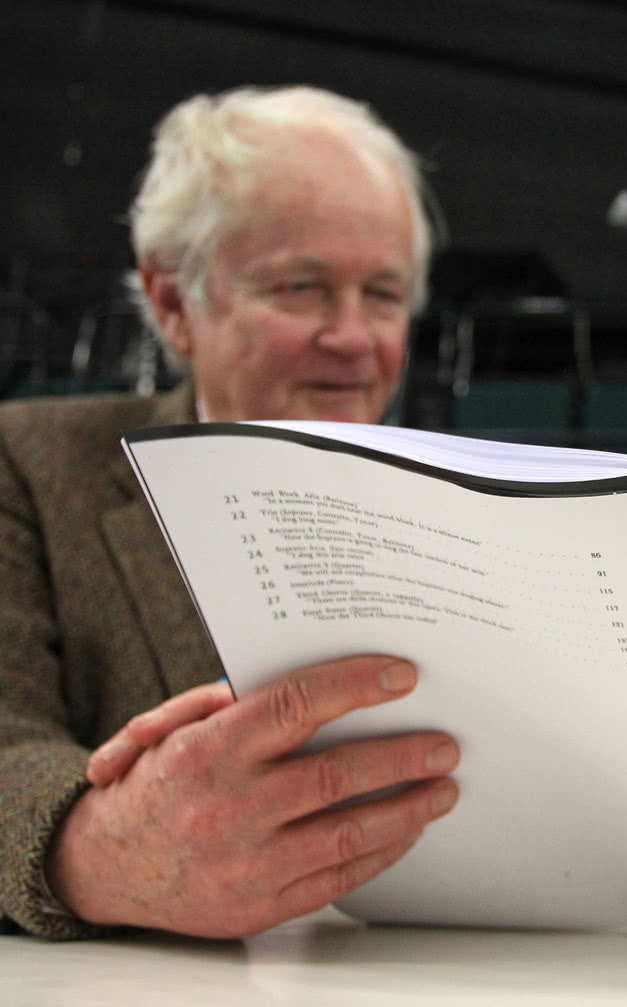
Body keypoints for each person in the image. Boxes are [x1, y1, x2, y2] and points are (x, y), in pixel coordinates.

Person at [0, 85, 460, 940]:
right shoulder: (27, 466)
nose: (353, 337)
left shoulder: (483, 512)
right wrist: (99, 849)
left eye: (383, 294)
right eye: (300, 288)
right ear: (174, 302)